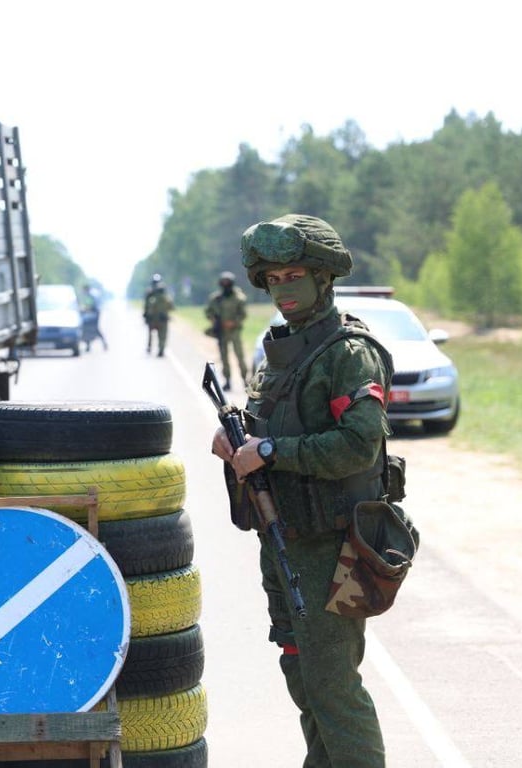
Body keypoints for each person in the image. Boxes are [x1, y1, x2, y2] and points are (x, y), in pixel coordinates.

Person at [210, 214, 393, 767]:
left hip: (333, 546)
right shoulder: (280, 352)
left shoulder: (347, 353)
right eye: (274, 277)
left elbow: (358, 445)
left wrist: (270, 452)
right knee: (302, 674)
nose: (283, 288)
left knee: (333, 686)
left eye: (296, 275)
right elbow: (275, 422)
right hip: (284, 536)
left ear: (323, 278)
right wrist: (238, 434)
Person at [205, 270, 249, 390]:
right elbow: (208, 312)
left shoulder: (239, 298)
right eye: (223, 282)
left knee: (239, 356)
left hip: (234, 331)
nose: (225, 284)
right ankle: (227, 380)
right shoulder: (216, 298)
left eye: (227, 282)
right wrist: (214, 320)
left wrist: (233, 322)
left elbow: (243, 314)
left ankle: (245, 380)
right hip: (222, 332)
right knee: (224, 357)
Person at [142, 273, 174, 356]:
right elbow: (171, 306)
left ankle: (154, 348)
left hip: (155, 318)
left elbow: (146, 305)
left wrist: (146, 315)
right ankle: (160, 349)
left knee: (154, 334)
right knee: (161, 335)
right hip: (159, 318)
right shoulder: (160, 293)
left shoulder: (151, 293)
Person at [80, 283, 108, 351]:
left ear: (86, 289)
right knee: (87, 329)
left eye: (83, 290)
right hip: (92, 314)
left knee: (94, 329)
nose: (83, 292)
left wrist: (85, 309)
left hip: (94, 314)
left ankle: (103, 343)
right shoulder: (91, 294)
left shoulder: (91, 295)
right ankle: (88, 346)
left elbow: (92, 306)